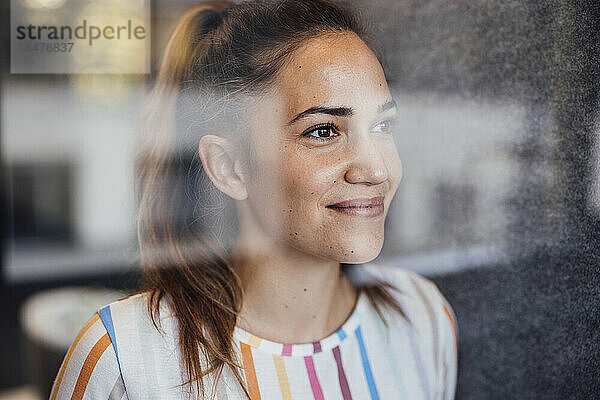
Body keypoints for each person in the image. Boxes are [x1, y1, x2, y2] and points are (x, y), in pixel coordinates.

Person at [50, 1, 458, 399]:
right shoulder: (125, 361)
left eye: (382, 125)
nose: (377, 170)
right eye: (323, 131)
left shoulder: (423, 318)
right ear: (229, 166)